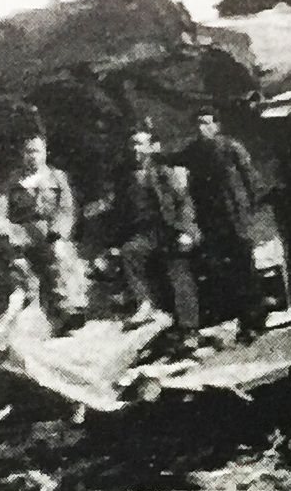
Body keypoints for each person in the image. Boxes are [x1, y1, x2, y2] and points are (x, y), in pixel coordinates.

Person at [181, 108, 271, 340]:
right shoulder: (194, 152)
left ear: (217, 126)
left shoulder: (232, 148)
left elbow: (251, 179)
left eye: (208, 123)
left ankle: (256, 318)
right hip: (212, 221)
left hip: (235, 217)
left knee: (245, 267)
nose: (203, 128)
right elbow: (177, 164)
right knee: (227, 271)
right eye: (199, 124)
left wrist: (251, 208)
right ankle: (244, 320)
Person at [0, 131, 84, 327]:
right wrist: (8, 232)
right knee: (17, 270)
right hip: (22, 235)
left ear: (45, 153)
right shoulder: (12, 182)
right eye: (28, 152)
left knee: (62, 258)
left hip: (49, 234)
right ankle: (19, 317)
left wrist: (58, 235)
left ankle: (69, 310)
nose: (33, 156)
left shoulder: (57, 178)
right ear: (22, 154)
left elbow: (66, 209)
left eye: (37, 151)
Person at [114, 128, 201, 335]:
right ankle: (145, 303)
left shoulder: (163, 173)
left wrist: (186, 231)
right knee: (130, 252)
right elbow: (120, 213)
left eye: (140, 144)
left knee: (178, 270)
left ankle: (189, 329)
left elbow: (183, 203)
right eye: (132, 144)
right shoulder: (126, 180)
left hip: (170, 229)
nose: (136, 149)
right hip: (145, 233)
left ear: (151, 148)